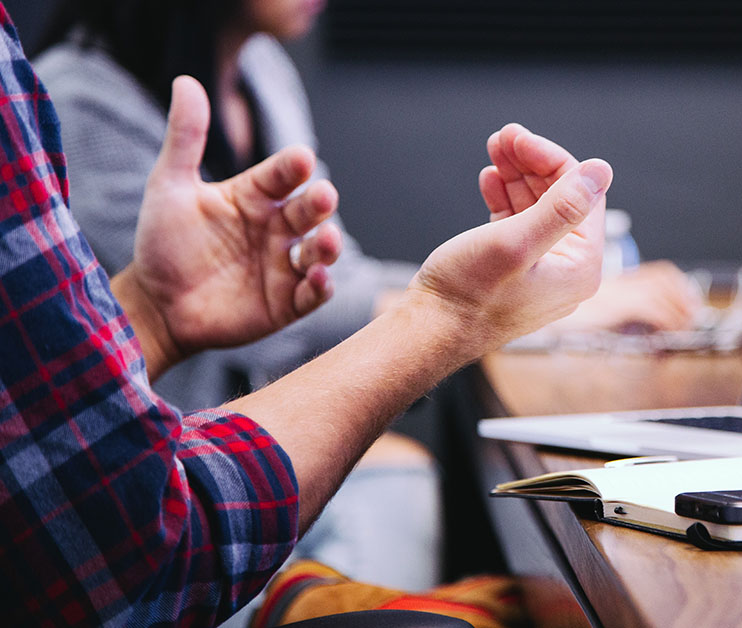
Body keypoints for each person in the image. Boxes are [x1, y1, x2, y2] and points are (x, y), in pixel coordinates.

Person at [0, 2, 614, 624]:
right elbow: (135, 553)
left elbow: (328, 279)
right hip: (171, 533)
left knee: (403, 478)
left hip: (191, 499)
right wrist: (465, 309)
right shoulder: (80, 101)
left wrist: (156, 314)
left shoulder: (261, 70)